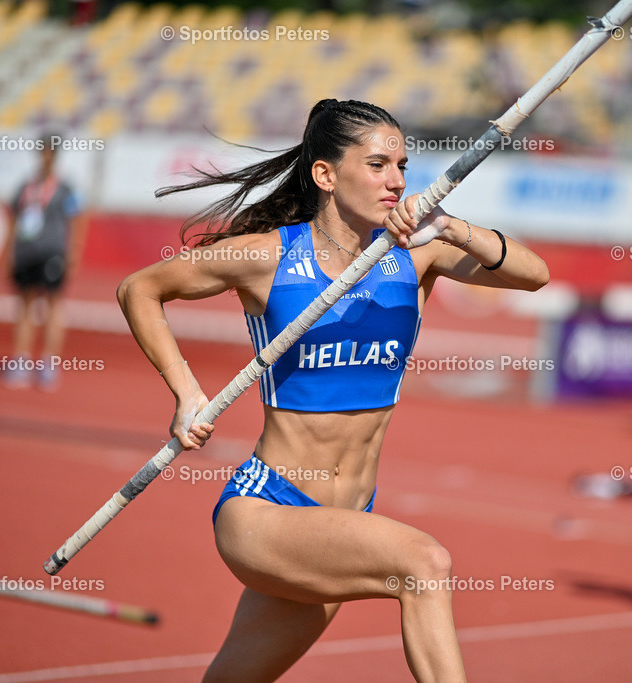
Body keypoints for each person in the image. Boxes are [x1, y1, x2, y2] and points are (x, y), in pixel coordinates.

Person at [117, 99, 549, 682]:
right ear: (325, 174)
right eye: (377, 165)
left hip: (341, 520)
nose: (396, 180)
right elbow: (139, 289)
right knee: (425, 563)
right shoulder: (269, 256)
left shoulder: (417, 253)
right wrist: (186, 394)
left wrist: (448, 226)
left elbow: (534, 274)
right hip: (267, 512)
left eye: (402, 163)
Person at [3, 133, 86, 390]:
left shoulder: (65, 188)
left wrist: (72, 254)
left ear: (55, 155)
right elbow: (14, 220)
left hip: (52, 253)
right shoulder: (25, 187)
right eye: (43, 151)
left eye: (50, 151)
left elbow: (78, 220)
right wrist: (9, 252)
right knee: (25, 305)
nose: (46, 156)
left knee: (52, 307)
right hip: (26, 252)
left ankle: (49, 363)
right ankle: (21, 359)